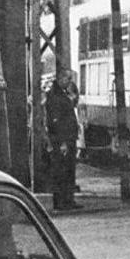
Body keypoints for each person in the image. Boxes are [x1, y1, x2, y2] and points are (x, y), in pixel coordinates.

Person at [46, 67, 81, 210]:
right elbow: (56, 121)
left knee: (68, 170)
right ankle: (61, 201)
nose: (70, 81)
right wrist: (62, 142)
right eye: (68, 78)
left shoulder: (62, 93)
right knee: (61, 171)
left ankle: (68, 200)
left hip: (68, 139)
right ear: (60, 79)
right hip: (62, 140)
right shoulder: (55, 96)